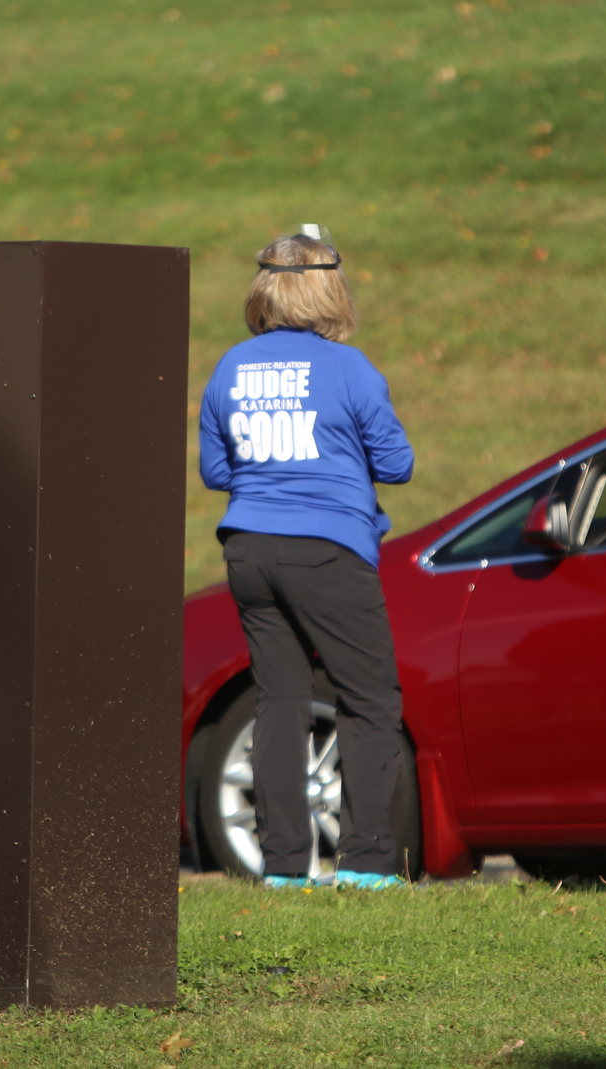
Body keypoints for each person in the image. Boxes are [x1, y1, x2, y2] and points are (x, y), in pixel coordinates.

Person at [199, 230, 415, 890]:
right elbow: (398, 464)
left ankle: (286, 866)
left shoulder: (231, 366)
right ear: (330, 289)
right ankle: (367, 863)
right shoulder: (350, 368)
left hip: (248, 549)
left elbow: (215, 469)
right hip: (327, 550)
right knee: (370, 698)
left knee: (281, 700)